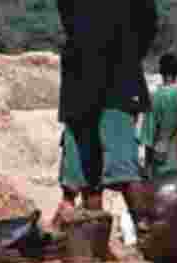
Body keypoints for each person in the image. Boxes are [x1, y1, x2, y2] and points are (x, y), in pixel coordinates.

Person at [54, 0, 157, 219]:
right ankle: (99, 244)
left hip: (97, 81)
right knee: (94, 175)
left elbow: (146, 24)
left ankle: (148, 238)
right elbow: (148, 25)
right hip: (101, 81)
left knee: (116, 172)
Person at [139, 53, 177, 179]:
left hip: (162, 160)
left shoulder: (156, 97)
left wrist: (147, 171)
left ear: (161, 72)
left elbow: (148, 136)